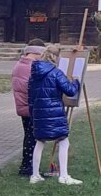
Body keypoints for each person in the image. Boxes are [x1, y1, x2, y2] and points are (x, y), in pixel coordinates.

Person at [29, 44, 82, 186]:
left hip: (38, 113)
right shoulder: (56, 72)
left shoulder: (33, 74)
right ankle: (63, 176)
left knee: (40, 141)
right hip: (54, 113)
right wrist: (76, 81)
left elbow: (30, 97)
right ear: (55, 57)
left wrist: (33, 115)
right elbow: (70, 90)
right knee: (63, 141)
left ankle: (35, 175)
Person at [11, 38, 45, 177]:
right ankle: (28, 167)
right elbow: (33, 87)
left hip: (24, 106)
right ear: (37, 52)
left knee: (29, 136)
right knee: (33, 138)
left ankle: (27, 165)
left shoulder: (20, 64)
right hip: (31, 106)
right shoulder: (31, 67)